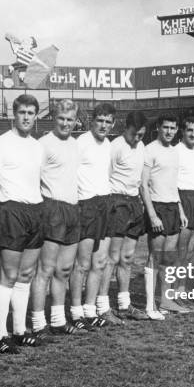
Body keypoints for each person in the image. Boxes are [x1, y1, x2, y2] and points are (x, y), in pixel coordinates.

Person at [0, 94, 44, 353]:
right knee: (9, 276)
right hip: (11, 212)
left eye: (30, 113)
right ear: (14, 113)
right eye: (22, 112)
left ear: (36, 116)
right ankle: (1, 336)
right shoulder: (1, 144)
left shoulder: (37, 145)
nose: (26, 117)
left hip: (35, 210)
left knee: (25, 275)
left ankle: (20, 330)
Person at [30, 99, 86, 336]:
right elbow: (33, 177)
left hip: (73, 209)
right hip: (51, 209)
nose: (65, 123)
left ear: (76, 121)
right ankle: (37, 322)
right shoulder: (43, 143)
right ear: (54, 118)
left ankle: (57, 320)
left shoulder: (75, 144)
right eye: (61, 119)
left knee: (64, 270)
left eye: (70, 119)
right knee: (45, 269)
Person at [69, 103, 120, 327]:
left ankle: (90, 311)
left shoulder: (108, 144)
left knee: (99, 262)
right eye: (100, 120)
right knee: (82, 263)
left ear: (113, 124)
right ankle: (76, 312)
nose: (104, 125)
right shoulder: (80, 143)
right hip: (85, 204)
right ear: (92, 120)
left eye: (108, 122)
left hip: (104, 202)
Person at [141, 114, 188, 317]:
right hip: (157, 207)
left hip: (172, 208)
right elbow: (143, 185)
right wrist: (152, 215)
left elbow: (172, 183)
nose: (169, 131)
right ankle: (150, 305)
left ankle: (166, 302)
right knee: (155, 256)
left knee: (169, 258)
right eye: (166, 127)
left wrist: (180, 209)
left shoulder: (175, 152)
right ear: (158, 128)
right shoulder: (149, 149)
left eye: (173, 128)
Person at [104, 111, 149, 320]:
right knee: (112, 257)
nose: (137, 138)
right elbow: (106, 176)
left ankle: (124, 305)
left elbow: (140, 180)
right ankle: (102, 306)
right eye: (134, 134)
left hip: (134, 203)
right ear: (126, 128)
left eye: (141, 135)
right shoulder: (115, 147)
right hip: (117, 202)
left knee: (128, 258)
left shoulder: (141, 147)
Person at [174, 116, 194, 302]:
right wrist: (180, 210)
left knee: (191, 251)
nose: (193, 134)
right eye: (190, 130)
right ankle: (175, 291)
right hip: (182, 198)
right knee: (181, 250)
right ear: (183, 132)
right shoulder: (176, 151)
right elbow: (172, 183)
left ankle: (183, 289)